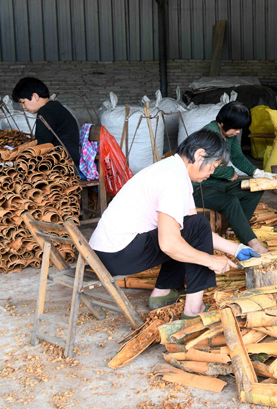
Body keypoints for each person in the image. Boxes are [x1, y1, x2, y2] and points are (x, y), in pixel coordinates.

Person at [89, 130, 260, 319]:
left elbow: (192, 230)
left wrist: (237, 250)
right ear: (199, 155)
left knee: (189, 227)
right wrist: (211, 260)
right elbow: (171, 243)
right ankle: (194, 309)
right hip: (117, 255)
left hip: (105, 253)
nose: (211, 173)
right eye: (213, 166)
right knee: (191, 229)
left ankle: (163, 292)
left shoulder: (173, 170)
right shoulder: (173, 179)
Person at [193, 101, 274, 254]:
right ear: (222, 122)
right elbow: (201, 166)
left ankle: (235, 228)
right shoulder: (209, 135)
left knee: (255, 187)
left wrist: (257, 172)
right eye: (235, 128)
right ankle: (252, 242)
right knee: (231, 202)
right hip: (199, 186)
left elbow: (237, 156)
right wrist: (228, 172)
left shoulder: (228, 135)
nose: (237, 132)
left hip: (216, 184)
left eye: (240, 128)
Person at [12, 77, 80, 171]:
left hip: (64, 165)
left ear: (35, 96)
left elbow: (43, 143)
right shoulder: (54, 106)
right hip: (70, 159)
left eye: (23, 102)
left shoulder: (46, 111)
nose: (23, 107)